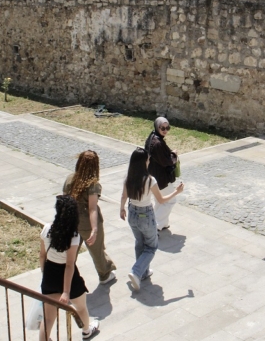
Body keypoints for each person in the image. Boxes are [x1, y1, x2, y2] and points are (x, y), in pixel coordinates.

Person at [119, 148, 184, 292]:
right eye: (148, 160)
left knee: (139, 243)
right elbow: (161, 200)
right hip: (145, 215)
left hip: (132, 213)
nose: (149, 162)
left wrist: (121, 208)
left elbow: (124, 196)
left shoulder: (128, 177)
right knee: (152, 246)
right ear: (144, 162)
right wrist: (176, 192)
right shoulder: (150, 180)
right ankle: (137, 271)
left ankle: (143, 272)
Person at [38, 195, 99, 340]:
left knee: (48, 318)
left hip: (50, 273)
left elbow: (42, 255)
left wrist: (45, 273)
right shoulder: (74, 235)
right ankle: (86, 331)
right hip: (69, 278)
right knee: (81, 307)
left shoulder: (47, 229)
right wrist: (66, 292)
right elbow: (69, 264)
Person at [62, 150, 117, 285]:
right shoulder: (93, 185)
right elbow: (92, 208)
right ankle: (104, 275)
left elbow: (64, 201)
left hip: (72, 222)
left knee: (71, 253)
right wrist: (95, 229)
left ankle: (65, 278)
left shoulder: (70, 179)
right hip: (87, 224)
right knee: (97, 251)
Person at [144, 117, 179, 231]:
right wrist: (174, 154)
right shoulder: (157, 143)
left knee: (160, 201)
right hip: (161, 177)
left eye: (167, 128)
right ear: (157, 127)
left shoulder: (153, 137)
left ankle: (162, 223)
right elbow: (166, 161)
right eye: (162, 128)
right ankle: (156, 224)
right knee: (170, 200)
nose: (165, 130)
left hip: (154, 175)